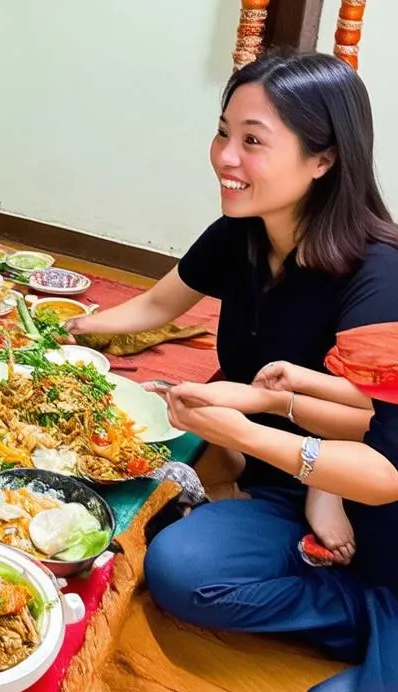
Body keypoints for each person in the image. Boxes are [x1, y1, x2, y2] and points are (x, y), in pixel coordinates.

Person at [68, 50, 398, 557]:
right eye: (224, 133)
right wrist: (73, 326)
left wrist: (316, 480)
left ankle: (352, 591)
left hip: (344, 477)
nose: (225, 155)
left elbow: (372, 431)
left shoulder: (380, 274)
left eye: (252, 140)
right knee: (98, 470)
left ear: (323, 159)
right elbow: (159, 304)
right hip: (244, 435)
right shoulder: (243, 230)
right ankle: (231, 494)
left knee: (178, 563)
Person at [175, 332, 398, 692]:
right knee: (185, 570)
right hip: (361, 550)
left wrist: (249, 429)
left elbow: (384, 472)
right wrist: (275, 401)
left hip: (368, 542)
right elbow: (376, 410)